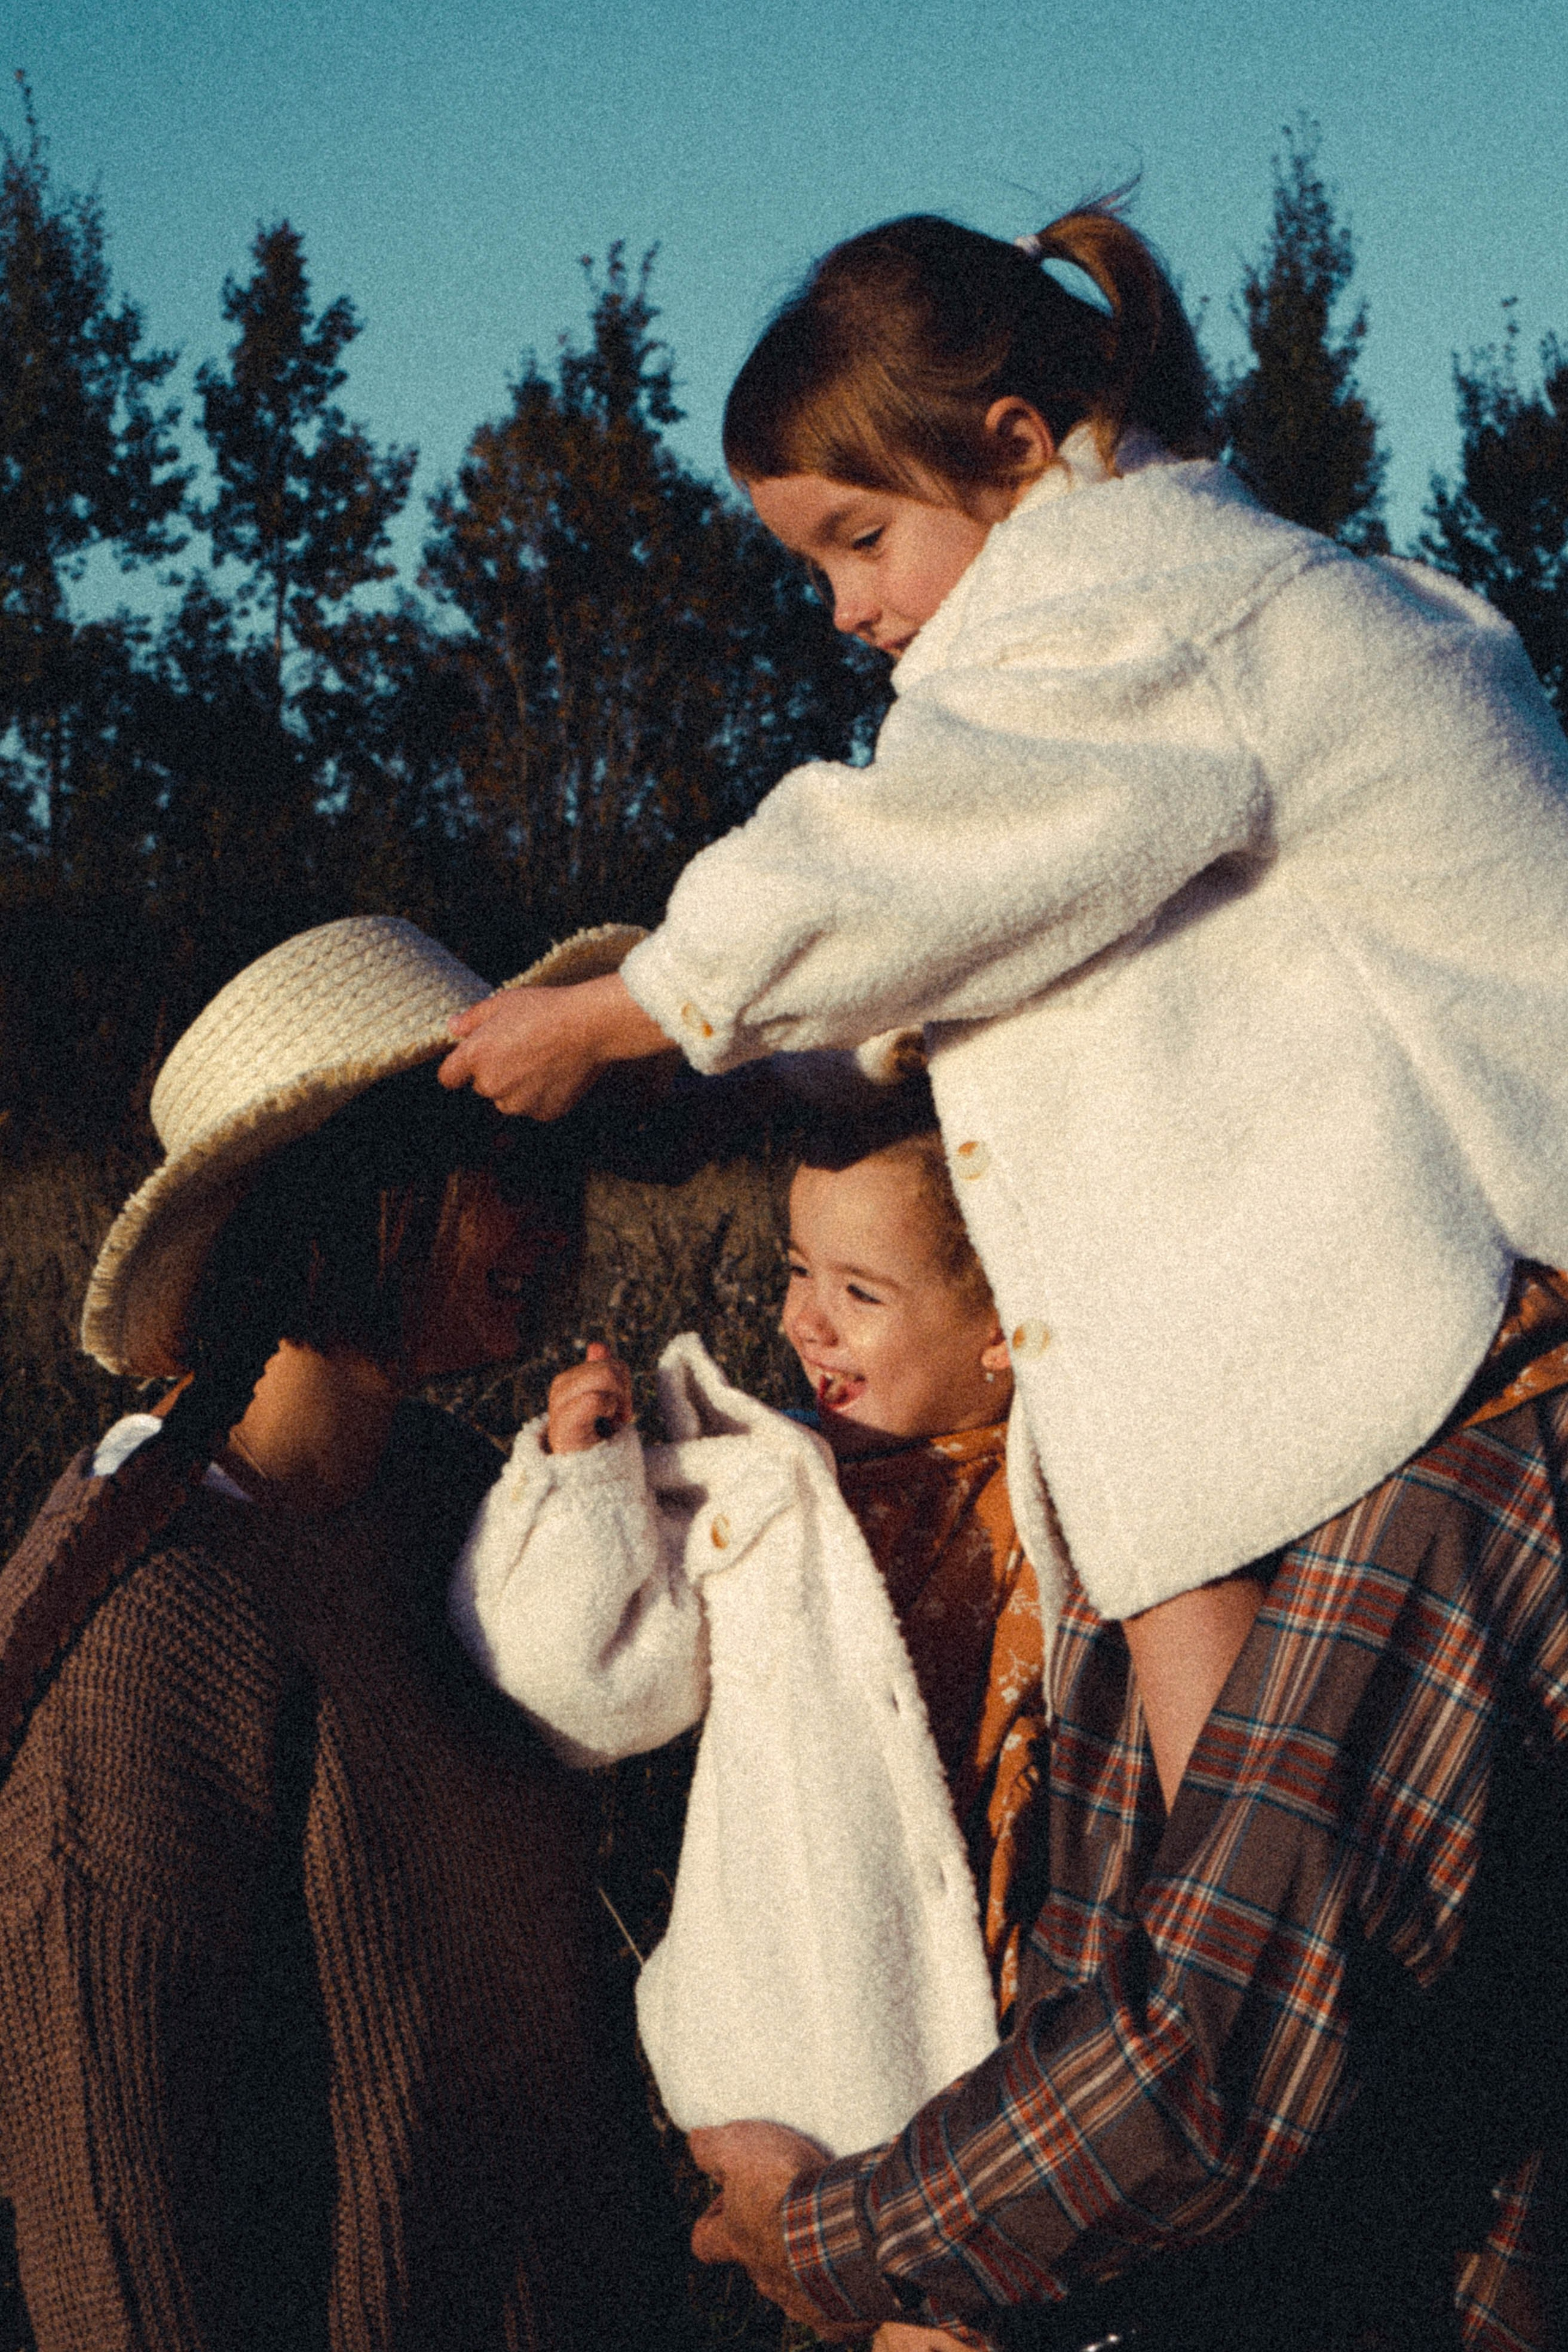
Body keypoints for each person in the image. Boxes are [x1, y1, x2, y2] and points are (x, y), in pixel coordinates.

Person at [434, 206, 1568, 2346]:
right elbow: (1000, 957)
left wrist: (644, 1004)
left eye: (861, 539)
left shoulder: (1155, 604)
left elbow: (923, 850)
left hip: (1509, 1293)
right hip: (1384, 1299)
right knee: (1227, 1846)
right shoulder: (1198, 630)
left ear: (1026, 446)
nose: (854, 611)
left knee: (1238, 1968)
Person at [0, 914, 686, 2352]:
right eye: (502, 1178)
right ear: (348, 1195)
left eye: (554, 1174)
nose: (551, 1229)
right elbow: (113, 2206)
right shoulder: (151, 1607)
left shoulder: (451, 1493)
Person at [450, 1090, 1047, 2176]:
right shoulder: (767, 1488)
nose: (801, 1322)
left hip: (1038, 2026)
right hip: (821, 2058)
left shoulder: (1076, 1489)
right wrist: (584, 1485)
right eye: (795, 1268)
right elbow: (576, 1692)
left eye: (860, 1291)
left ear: (1009, 1324)